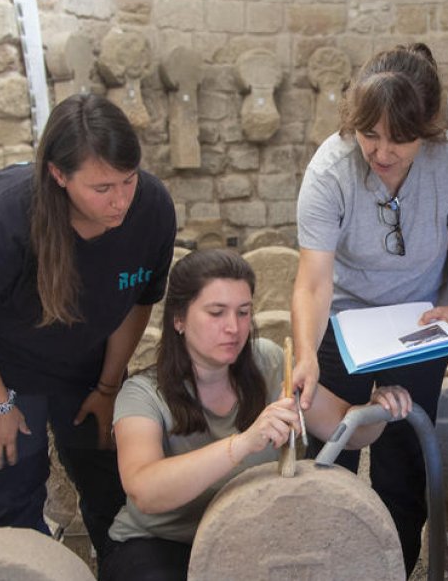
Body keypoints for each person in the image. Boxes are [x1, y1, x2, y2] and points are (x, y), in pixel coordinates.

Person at [0, 93, 176, 562]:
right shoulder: (1, 217)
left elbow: (138, 302)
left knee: (110, 480)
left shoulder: (151, 207)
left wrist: (108, 388)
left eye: (128, 180)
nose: (121, 200)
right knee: (11, 492)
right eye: (102, 188)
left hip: (84, 362)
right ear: (58, 176)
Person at [292, 42, 448, 573]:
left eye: (399, 139)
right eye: (369, 134)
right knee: (332, 451)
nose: (381, 152)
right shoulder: (332, 167)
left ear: (428, 130)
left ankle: (395, 563)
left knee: (404, 460)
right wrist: (306, 353)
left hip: (418, 325)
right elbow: (313, 278)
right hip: (344, 324)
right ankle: (330, 565)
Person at [100, 249, 412, 581]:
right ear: (179, 318)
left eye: (244, 312)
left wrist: (378, 410)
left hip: (254, 537)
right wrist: (245, 443)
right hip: (163, 545)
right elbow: (145, 491)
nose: (233, 328)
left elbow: (346, 429)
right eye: (216, 313)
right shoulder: (142, 393)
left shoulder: (271, 363)